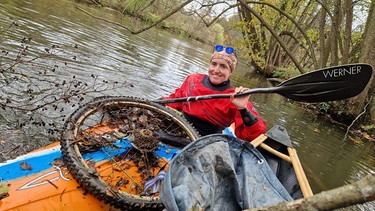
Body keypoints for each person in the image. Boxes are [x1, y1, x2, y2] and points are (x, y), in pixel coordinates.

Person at [162, 45, 266, 142]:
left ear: (231, 71)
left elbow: (255, 136)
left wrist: (243, 109)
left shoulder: (236, 97)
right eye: (214, 64)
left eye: (223, 67)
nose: (216, 70)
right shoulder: (193, 80)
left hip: (204, 140)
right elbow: (174, 101)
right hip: (178, 127)